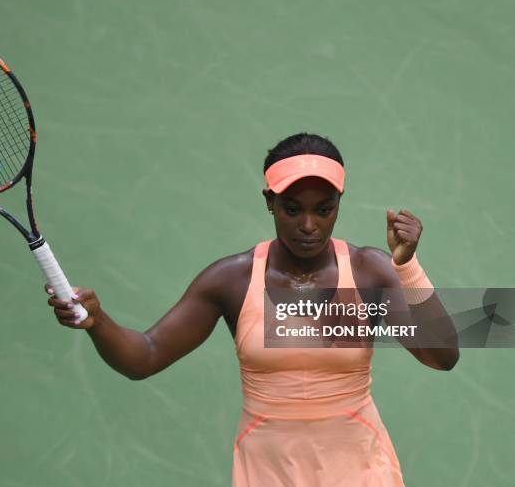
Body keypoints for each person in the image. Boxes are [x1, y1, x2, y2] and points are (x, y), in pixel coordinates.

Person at [45, 133, 459, 486]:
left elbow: (442, 356)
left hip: (361, 470)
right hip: (268, 472)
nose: (309, 225)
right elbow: (146, 355)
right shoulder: (231, 280)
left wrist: (407, 266)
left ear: (340, 203)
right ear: (269, 201)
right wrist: (98, 323)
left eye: (324, 208)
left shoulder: (371, 272)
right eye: (293, 209)